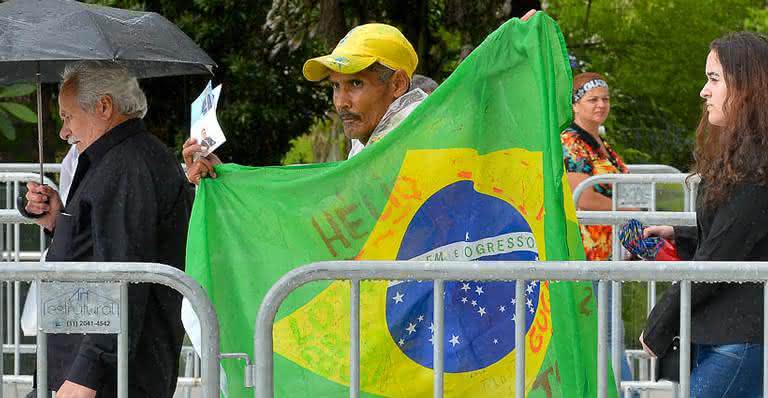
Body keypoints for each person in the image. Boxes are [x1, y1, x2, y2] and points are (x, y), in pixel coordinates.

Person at [24, 60, 192, 398]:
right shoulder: (122, 158)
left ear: (103, 106)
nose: (64, 131)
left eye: (68, 116)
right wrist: (58, 222)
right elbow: (102, 247)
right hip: (90, 368)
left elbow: (123, 275)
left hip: (105, 378)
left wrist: (86, 375)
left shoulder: (127, 166)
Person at [640, 32, 768, 397]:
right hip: (726, 335)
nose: (704, 91)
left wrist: (659, 324)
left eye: (714, 79)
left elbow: (723, 254)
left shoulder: (758, 168)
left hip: (741, 340)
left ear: (746, 87)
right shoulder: (747, 159)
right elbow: (740, 235)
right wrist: (679, 235)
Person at [561, 72, 634, 383]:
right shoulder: (571, 142)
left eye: (605, 99)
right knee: (605, 331)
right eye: (593, 99)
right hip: (587, 253)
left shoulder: (601, 144)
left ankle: (619, 388)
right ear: (575, 105)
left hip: (609, 253)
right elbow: (583, 197)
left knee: (609, 329)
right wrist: (625, 210)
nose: (601, 105)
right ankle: (623, 390)